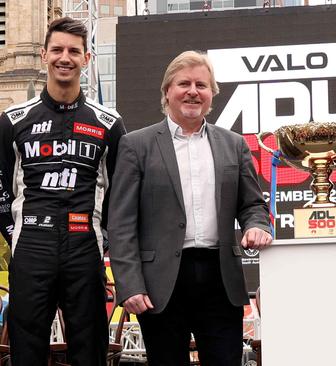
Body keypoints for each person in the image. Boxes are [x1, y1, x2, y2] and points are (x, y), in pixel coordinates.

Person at [108, 50, 272, 366]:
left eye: (202, 85)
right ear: (167, 91)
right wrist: (129, 284)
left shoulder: (234, 144)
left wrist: (257, 225)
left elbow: (252, 203)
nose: (193, 91)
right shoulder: (137, 145)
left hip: (220, 279)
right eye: (184, 83)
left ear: (212, 95)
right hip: (160, 285)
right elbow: (121, 222)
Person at [0, 17, 126, 365]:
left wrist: (102, 240)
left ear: (86, 59)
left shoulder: (109, 123)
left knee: (90, 350)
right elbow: (1, 188)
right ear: (44, 55)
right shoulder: (12, 121)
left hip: (85, 246)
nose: (64, 57)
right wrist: (16, 236)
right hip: (32, 248)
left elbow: (120, 194)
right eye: (57, 49)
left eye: (74, 51)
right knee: (26, 352)